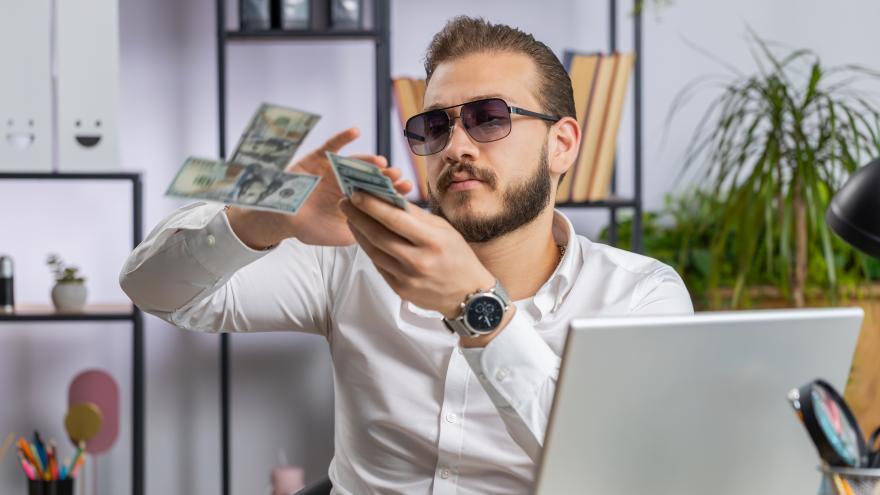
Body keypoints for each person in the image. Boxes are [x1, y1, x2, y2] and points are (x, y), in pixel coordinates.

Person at [120, 16, 693, 494]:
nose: (456, 146)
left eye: (489, 118)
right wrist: (266, 216)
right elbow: (154, 289)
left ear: (561, 144)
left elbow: (627, 470)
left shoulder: (638, 295)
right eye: (435, 126)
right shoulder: (352, 256)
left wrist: (477, 308)